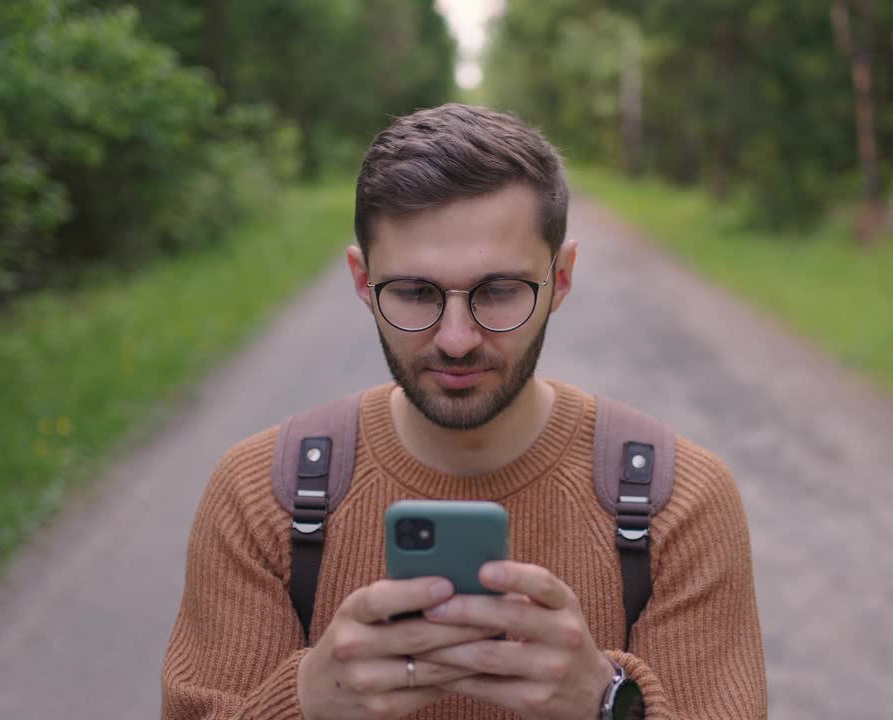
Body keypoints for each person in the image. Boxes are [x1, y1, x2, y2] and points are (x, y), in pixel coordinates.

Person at [160, 103, 767, 720]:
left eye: (499, 291)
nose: (455, 338)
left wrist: (609, 704)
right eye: (416, 292)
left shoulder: (680, 504)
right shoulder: (262, 495)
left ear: (561, 279)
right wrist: (303, 703)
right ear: (362, 281)